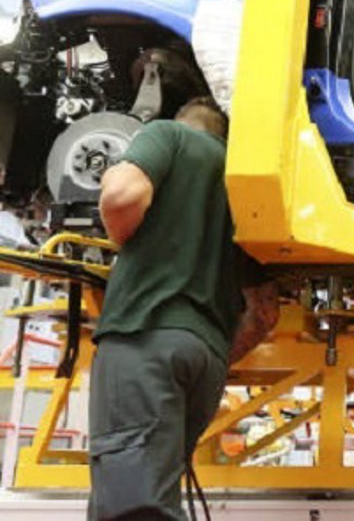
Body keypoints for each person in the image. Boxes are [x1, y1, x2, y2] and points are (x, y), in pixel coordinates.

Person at [89, 97, 278, 520]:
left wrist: (125, 241)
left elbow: (120, 196)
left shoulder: (168, 136)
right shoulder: (248, 182)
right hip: (205, 363)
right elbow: (265, 314)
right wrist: (207, 346)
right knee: (143, 495)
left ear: (182, 121)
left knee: (133, 507)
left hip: (144, 337)